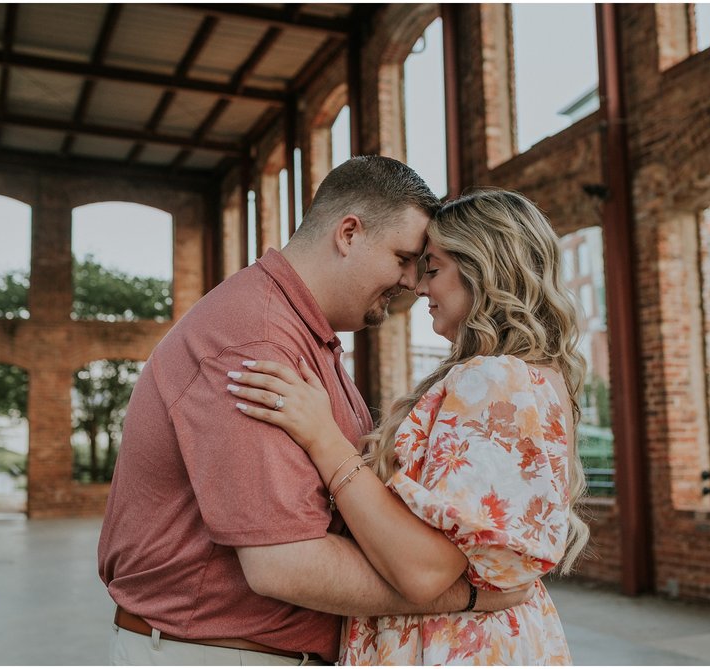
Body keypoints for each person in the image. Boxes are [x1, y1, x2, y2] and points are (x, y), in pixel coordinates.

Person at [98, 158, 526, 666]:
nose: (413, 282)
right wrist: (469, 594)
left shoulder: (305, 333)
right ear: (349, 233)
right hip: (216, 653)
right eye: (404, 258)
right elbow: (284, 564)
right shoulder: (254, 341)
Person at [228, 189, 590, 665]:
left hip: (450, 646)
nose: (419, 288)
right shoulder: (538, 379)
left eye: (433, 269)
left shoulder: (495, 380)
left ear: (484, 269)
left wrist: (321, 436)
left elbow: (423, 571)